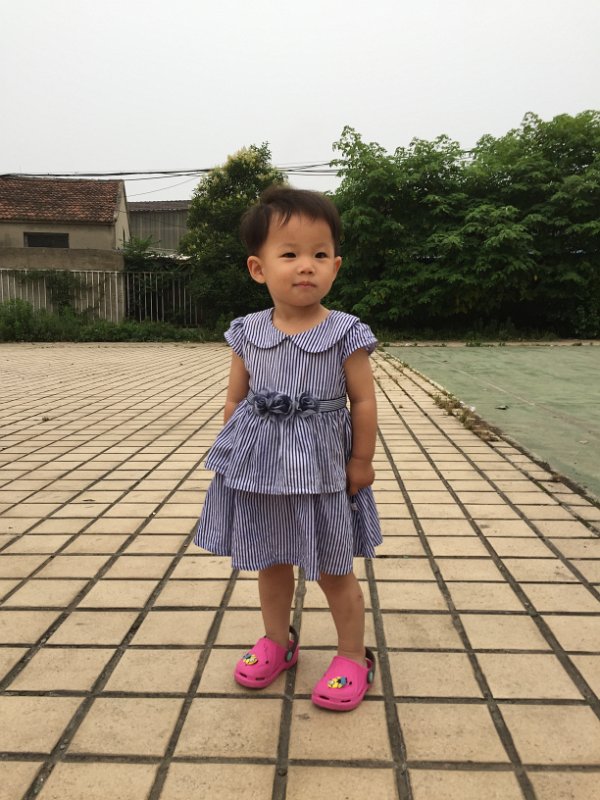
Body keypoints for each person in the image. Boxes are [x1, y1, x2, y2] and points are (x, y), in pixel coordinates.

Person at [194, 185, 381, 711]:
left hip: (322, 474)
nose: (306, 266)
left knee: (334, 568)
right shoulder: (247, 332)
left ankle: (353, 655)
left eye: (320, 254)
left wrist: (361, 460)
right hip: (261, 475)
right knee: (270, 562)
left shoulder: (344, 333)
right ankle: (278, 641)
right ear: (258, 269)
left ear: (335, 267)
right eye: (290, 254)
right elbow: (235, 401)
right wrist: (232, 461)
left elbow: (364, 401)